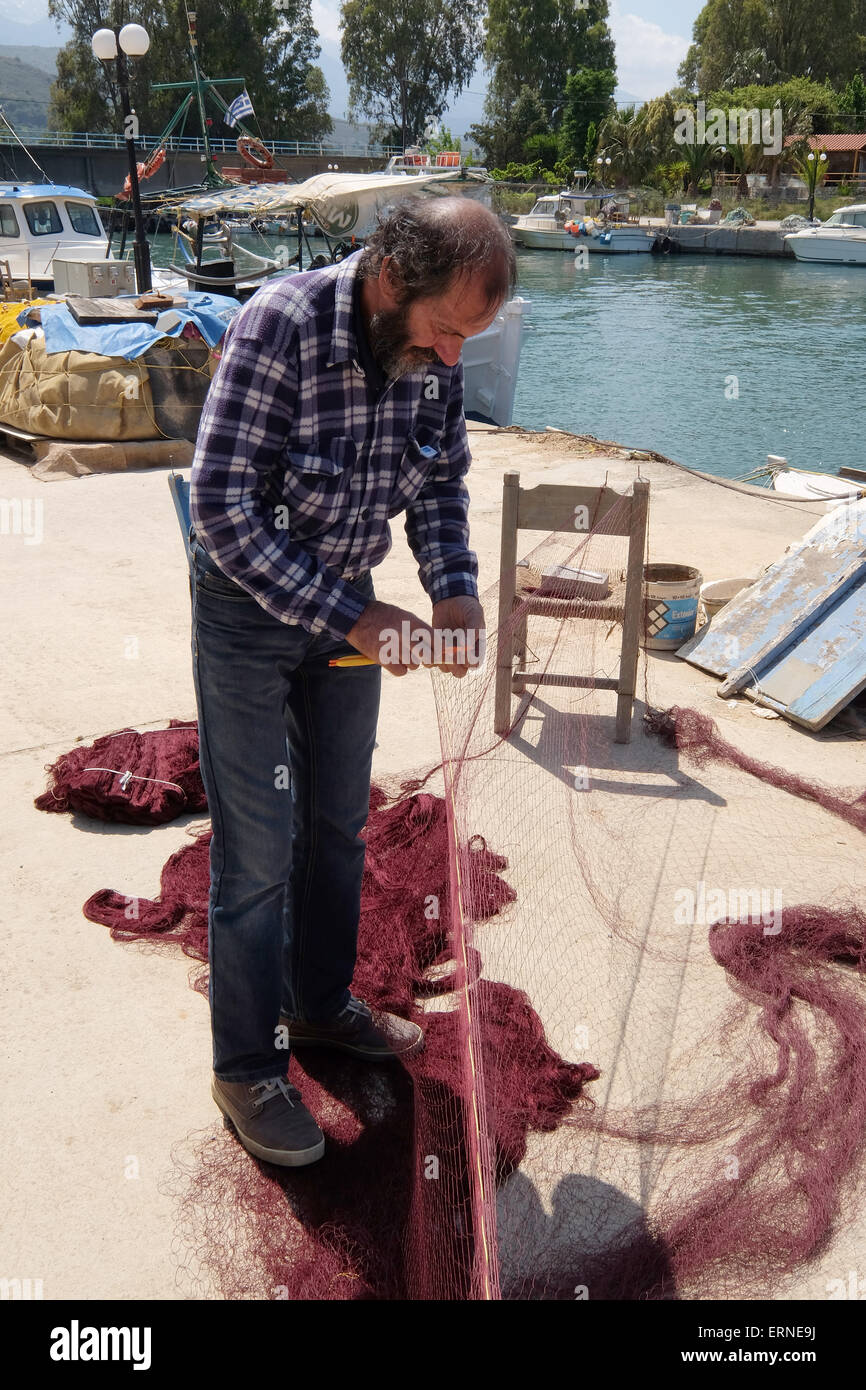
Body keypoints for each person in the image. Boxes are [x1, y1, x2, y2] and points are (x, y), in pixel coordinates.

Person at [188, 194, 516, 1167]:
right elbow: (221, 510)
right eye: (446, 331)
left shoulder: (428, 363)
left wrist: (453, 593)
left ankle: (317, 1004)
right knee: (256, 857)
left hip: (344, 616)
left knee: (337, 823)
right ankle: (246, 1065)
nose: (453, 359)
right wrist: (358, 617)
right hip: (248, 612)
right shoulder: (279, 324)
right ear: (388, 283)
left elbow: (438, 486)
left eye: (471, 340)